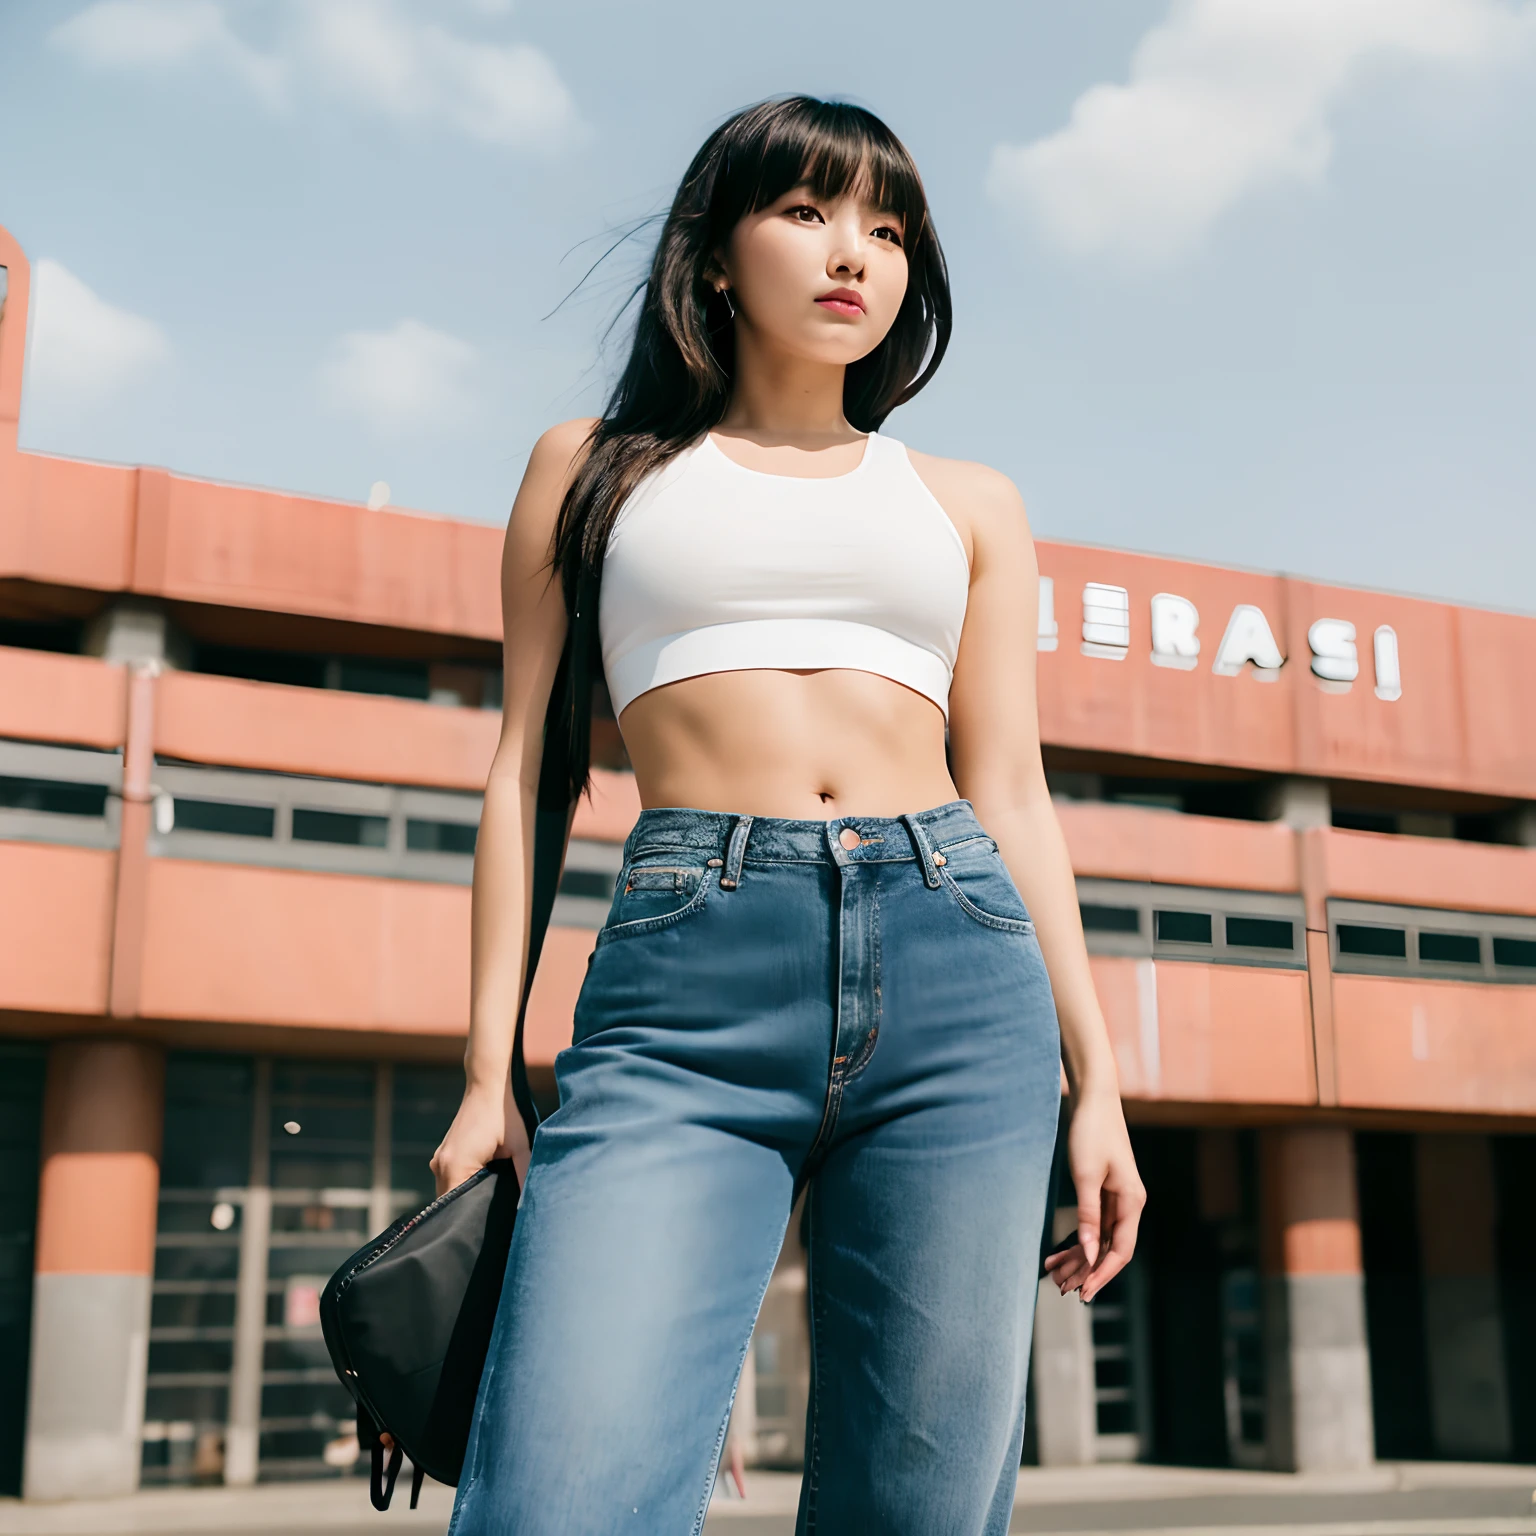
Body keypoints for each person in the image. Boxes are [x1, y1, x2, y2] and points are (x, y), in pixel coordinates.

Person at [430, 96, 1146, 1536]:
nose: (854, 255)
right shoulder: (592, 469)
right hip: (688, 975)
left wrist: (1100, 1083)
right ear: (713, 254)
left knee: (918, 1507)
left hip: (958, 962)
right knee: (560, 1492)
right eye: (810, 212)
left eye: (887, 231)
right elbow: (526, 770)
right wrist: (481, 1072)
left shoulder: (969, 502)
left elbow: (1012, 789)